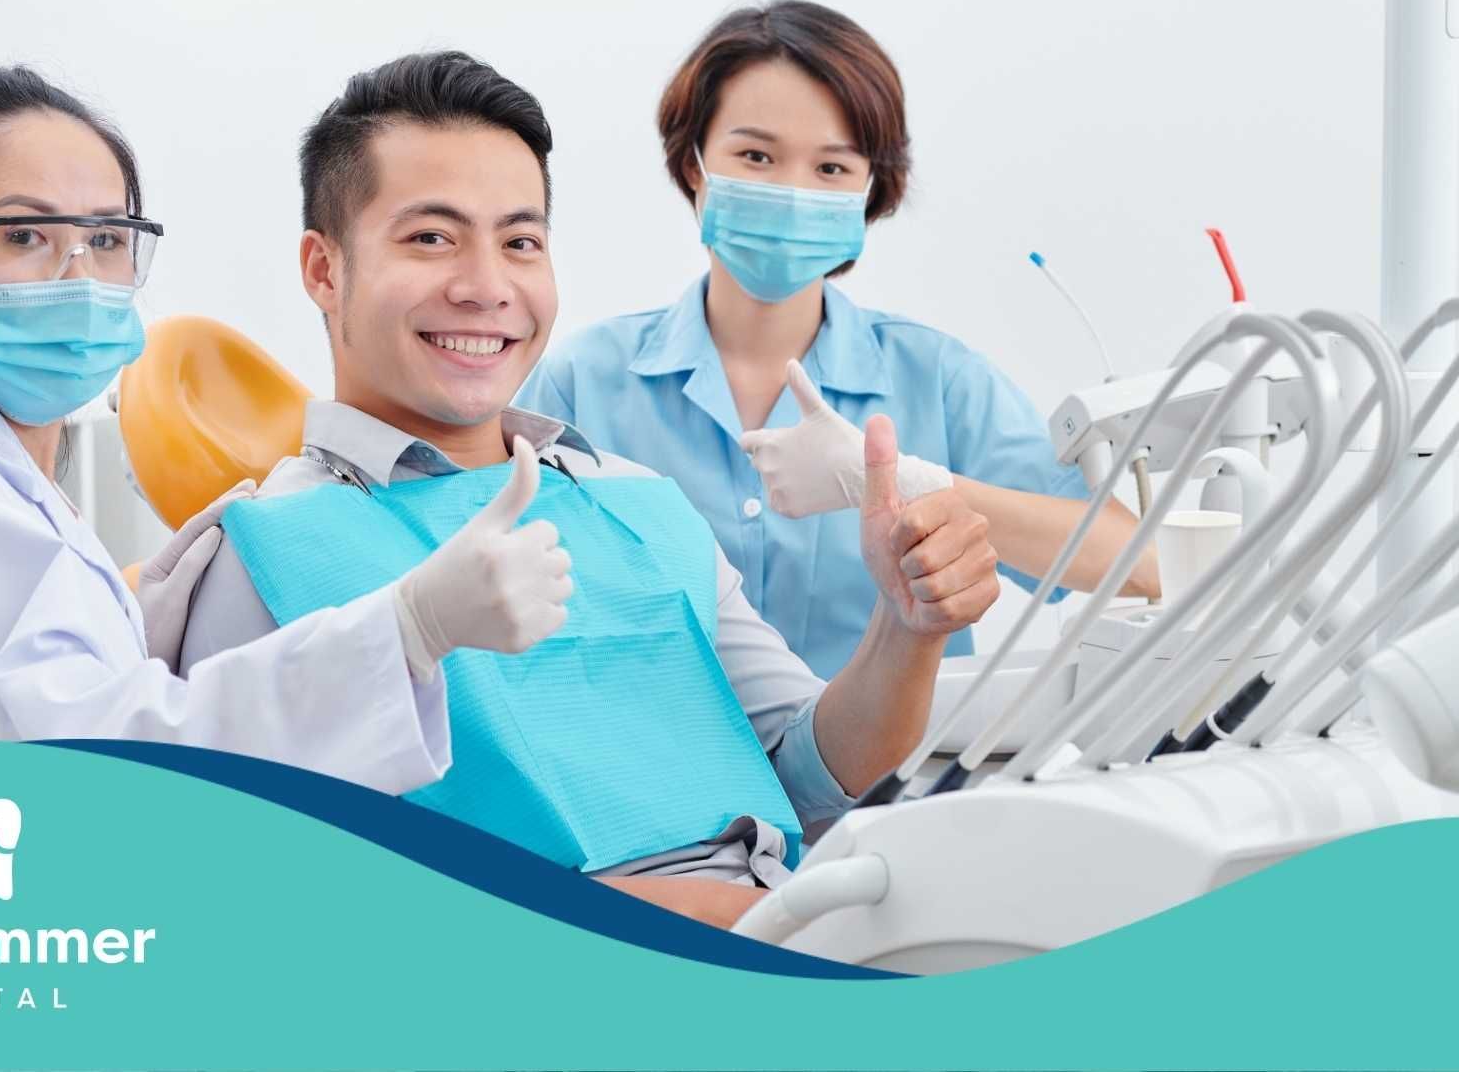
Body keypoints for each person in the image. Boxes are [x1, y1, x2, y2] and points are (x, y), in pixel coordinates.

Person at [180, 51, 1000, 928]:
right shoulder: (266, 549)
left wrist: (907, 627)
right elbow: (267, 899)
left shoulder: (636, 502)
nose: (486, 287)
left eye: (520, 242)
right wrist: (653, 915)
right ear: (324, 270)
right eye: (431, 238)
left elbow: (807, 768)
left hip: (790, 928)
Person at [0, 63, 527, 792]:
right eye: (23, 236)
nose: (78, 276)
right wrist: (408, 627)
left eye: (107, 239)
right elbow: (102, 769)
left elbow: (16, 689)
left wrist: (134, 615)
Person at [517, 0, 1158, 678]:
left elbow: (1145, 564)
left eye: (830, 169)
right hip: (654, 746)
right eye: (756, 155)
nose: (792, 192)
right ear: (695, 164)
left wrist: (906, 483)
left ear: (870, 189)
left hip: (901, 752)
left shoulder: (938, 379)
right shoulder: (584, 382)